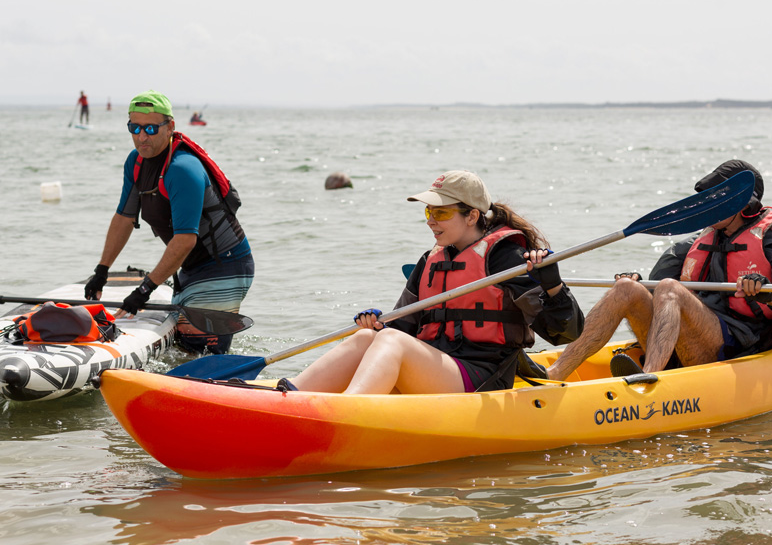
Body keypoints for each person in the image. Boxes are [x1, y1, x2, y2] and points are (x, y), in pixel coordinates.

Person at [286, 170, 584, 394]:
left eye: (440, 212)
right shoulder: (431, 260)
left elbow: (565, 334)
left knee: (390, 341)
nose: (430, 220)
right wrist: (378, 325)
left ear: (472, 216)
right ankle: (290, 395)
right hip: (437, 366)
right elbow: (402, 328)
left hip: (483, 376)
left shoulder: (507, 258)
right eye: (429, 211)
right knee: (368, 337)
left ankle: (347, 411)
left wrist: (553, 287)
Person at [547, 159, 772, 380]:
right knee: (626, 288)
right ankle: (555, 372)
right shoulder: (693, 245)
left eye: (717, 199)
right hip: (684, 341)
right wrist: (638, 282)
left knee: (670, 288)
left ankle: (649, 377)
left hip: (736, 347)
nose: (707, 206)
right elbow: (656, 295)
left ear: (743, 204)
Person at [83, 90, 255, 354]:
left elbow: (185, 240)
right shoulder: (136, 162)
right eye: (134, 128)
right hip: (190, 268)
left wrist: (145, 289)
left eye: (151, 128)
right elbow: (124, 218)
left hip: (225, 267)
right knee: (181, 347)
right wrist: (101, 271)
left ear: (170, 126)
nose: (142, 136)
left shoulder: (182, 169)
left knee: (200, 353)